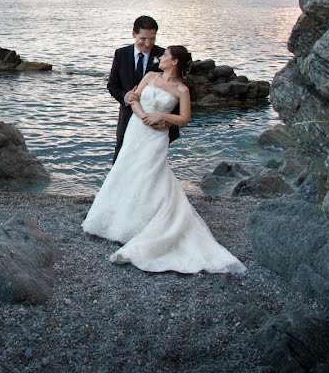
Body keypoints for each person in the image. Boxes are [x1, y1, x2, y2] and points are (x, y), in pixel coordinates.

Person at [83, 45, 247, 275]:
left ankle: (145, 223)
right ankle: (114, 221)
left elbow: (185, 118)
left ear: (175, 61)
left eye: (165, 56)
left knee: (150, 173)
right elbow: (134, 98)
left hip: (157, 136)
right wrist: (143, 117)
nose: (160, 57)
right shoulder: (150, 76)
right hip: (136, 129)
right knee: (126, 170)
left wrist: (163, 116)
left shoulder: (181, 89)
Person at [106, 16, 178, 162]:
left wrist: (170, 121)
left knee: (151, 159)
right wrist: (125, 96)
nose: (148, 43)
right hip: (128, 114)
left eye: (152, 39)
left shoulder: (164, 55)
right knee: (121, 154)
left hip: (157, 120)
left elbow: (176, 90)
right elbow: (112, 85)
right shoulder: (121, 54)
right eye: (143, 38)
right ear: (134, 34)